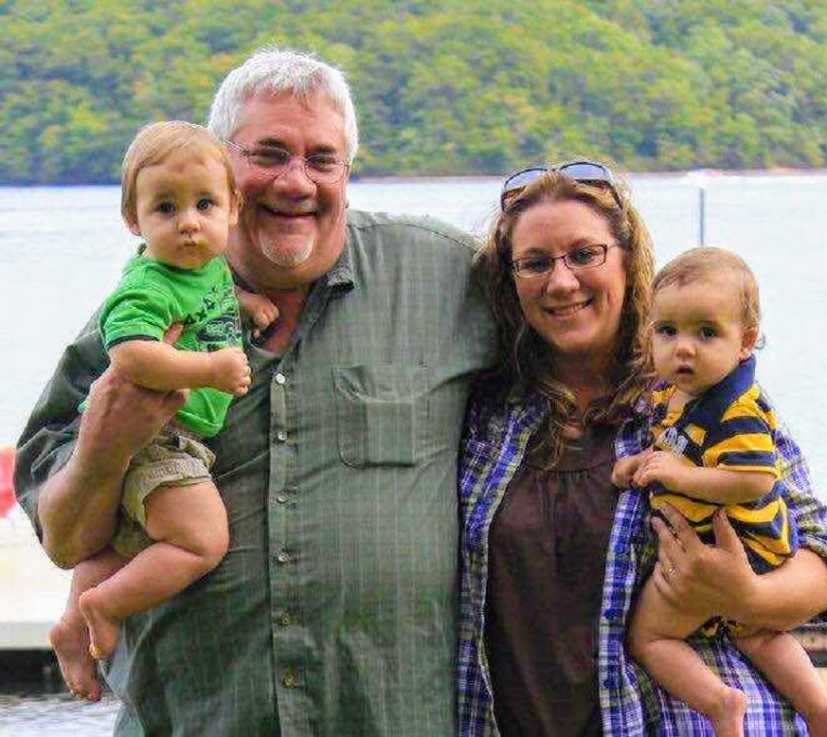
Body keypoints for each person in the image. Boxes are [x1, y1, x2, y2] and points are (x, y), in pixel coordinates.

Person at [15, 47, 494, 736]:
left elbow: (580, 361)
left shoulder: (447, 279)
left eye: (321, 159)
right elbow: (65, 536)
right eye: (269, 154)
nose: (296, 182)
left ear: (347, 173)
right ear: (224, 168)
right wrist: (106, 440)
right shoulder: (141, 311)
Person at [457, 165, 827, 736]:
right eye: (535, 262)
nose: (562, 282)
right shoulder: (485, 415)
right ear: (510, 280)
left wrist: (747, 595)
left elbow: (825, 562)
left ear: (626, 258)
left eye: (585, 254)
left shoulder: (701, 401)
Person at [47, 120, 280, 701]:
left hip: (172, 440)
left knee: (126, 544)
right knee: (201, 542)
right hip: (160, 438)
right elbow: (130, 354)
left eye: (205, 204)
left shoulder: (204, 268)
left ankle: (73, 626)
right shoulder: (147, 285)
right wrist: (212, 370)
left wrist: (245, 303)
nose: (189, 223)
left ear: (233, 208)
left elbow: (211, 297)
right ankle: (106, 605)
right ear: (135, 221)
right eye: (166, 208)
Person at [614, 247, 827, 736]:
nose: (683, 349)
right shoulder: (670, 394)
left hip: (733, 549)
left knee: (650, 637)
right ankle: (822, 712)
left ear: (747, 342)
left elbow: (756, 478)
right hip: (745, 553)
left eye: (706, 333)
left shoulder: (736, 408)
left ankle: (720, 705)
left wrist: (679, 476)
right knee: (759, 635)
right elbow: (666, 446)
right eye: (667, 331)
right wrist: (641, 464)